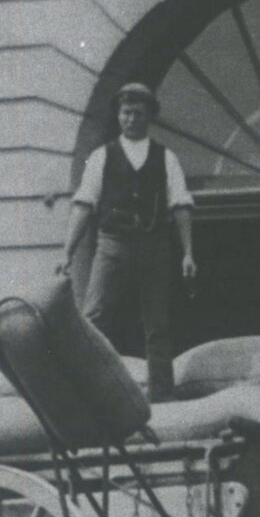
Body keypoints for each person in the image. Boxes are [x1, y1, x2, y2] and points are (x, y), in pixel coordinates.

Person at [58, 82, 196, 401]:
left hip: (155, 246)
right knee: (95, 317)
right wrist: (67, 253)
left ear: (148, 116)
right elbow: (83, 205)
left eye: (137, 113)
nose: (130, 119)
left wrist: (188, 253)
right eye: (125, 112)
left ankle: (161, 393)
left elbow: (181, 206)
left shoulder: (166, 158)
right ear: (118, 115)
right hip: (112, 244)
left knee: (157, 323)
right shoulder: (102, 156)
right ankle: (94, 389)